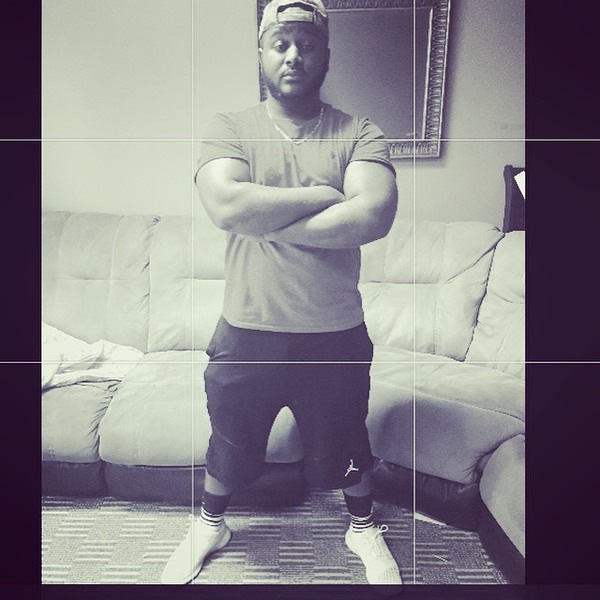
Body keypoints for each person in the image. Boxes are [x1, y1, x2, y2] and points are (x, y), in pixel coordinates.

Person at [161, 0, 401, 590]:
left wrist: (260, 217)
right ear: (263, 53)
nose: (294, 55)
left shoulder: (360, 131)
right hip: (248, 329)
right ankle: (210, 525)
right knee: (229, 442)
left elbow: (372, 216)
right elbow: (226, 205)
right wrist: (325, 195)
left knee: (347, 442)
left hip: (334, 333)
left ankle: (362, 527)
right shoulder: (230, 127)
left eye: (307, 44)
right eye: (281, 43)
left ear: (325, 54)